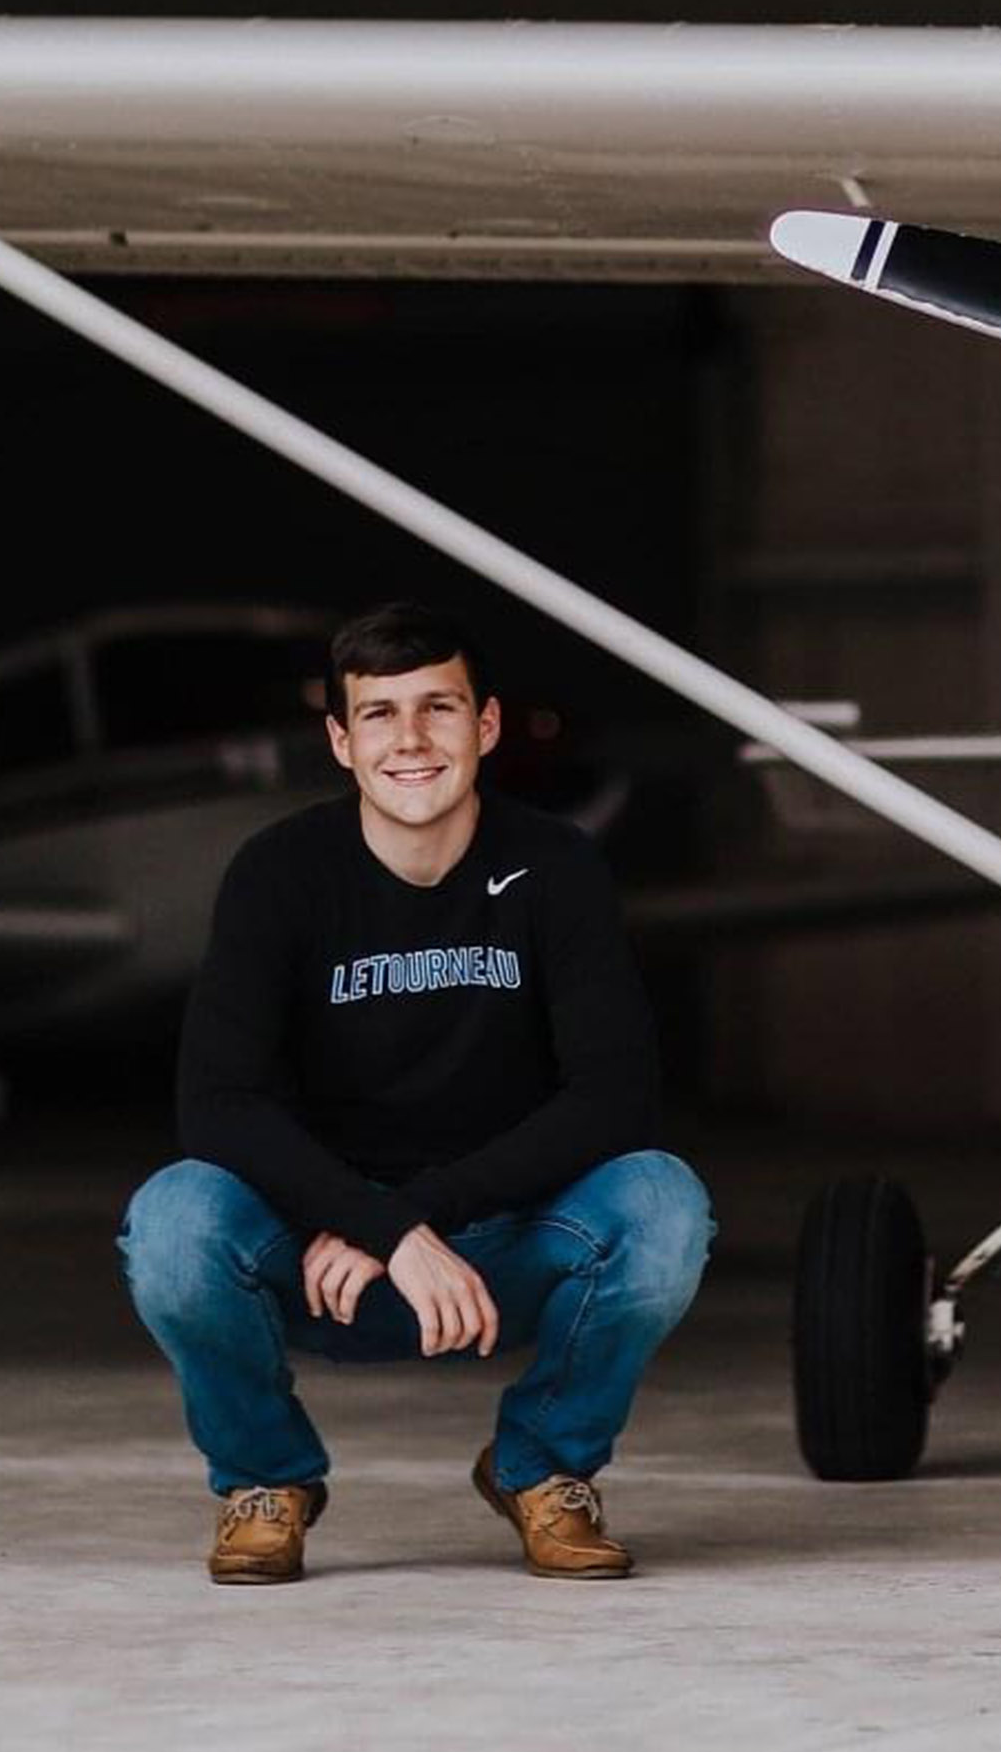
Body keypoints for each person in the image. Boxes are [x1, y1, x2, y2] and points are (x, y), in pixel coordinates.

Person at [118, 600, 713, 1585]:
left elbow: (613, 1098)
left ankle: (544, 1469)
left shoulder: (556, 867)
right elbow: (217, 1104)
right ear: (341, 742)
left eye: (438, 709)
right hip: (318, 1259)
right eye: (380, 715)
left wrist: (411, 1219)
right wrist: (372, 1226)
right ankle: (264, 1481)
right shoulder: (278, 873)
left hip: (495, 1252)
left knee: (661, 1201)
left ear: (485, 727)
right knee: (172, 1221)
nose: (411, 741)